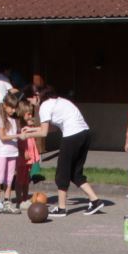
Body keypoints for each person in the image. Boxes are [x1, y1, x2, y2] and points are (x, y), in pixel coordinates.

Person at [34, 84, 104, 215]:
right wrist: (32, 129)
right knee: (75, 173)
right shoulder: (61, 101)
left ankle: (61, 208)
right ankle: (95, 201)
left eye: (30, 99)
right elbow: (53, 128)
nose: (31, 102)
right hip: (85, 133)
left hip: (72, 136)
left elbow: (43, 133)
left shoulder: (44, 106)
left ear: (37, 96)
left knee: (62, 172)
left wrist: (26, 135)